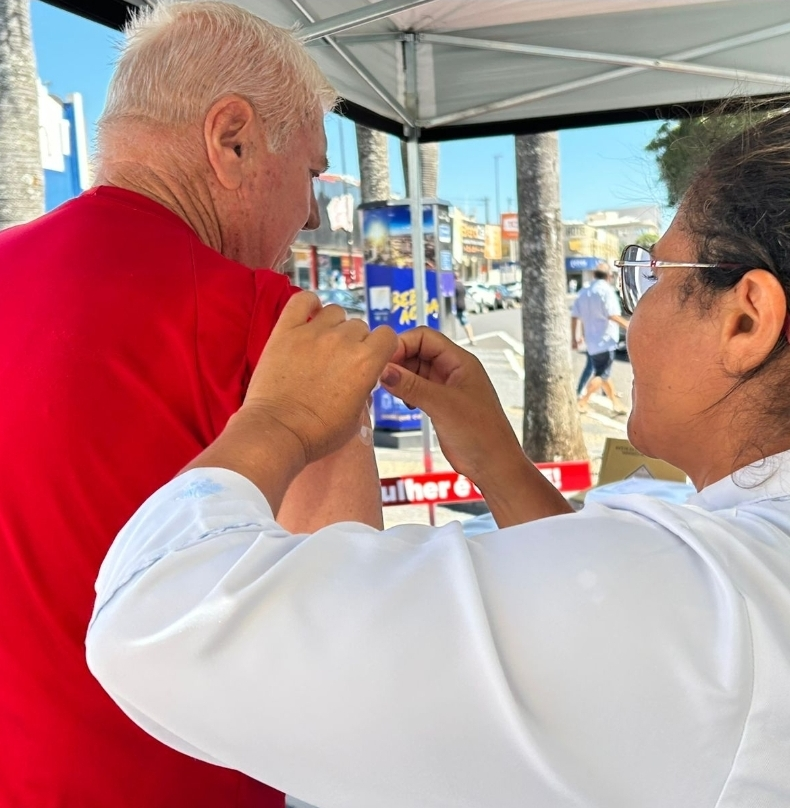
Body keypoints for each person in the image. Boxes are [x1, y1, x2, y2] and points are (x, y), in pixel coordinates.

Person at [87, 107, 790, 807]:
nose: (633, 319)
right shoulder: (724, 579)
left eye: (652, 274)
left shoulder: (700, 600)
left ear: (746, 318)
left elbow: (153, 619)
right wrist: (504, 469)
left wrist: (280, 419)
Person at [0, 4, 383, 808]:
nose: (312, 212)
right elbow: (345, 629)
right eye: (312, 172)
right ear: (232, 139)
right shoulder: (274, 326)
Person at [571, 262, 630, 413]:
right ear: (609, 277)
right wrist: (630, 326)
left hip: (591, 342)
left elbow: (575, 316)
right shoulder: (607, 291)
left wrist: (575, 338)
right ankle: (583, 402)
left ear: (593, 275)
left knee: (603, 373)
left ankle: (615, 403)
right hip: (606, 341)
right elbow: (613, 315)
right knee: (601, 375)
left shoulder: (584, 292)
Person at [453, 269, 475, 344]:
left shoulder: (453, 285)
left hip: (456, 307)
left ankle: (471, 339)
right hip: (462, 305)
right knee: (465, 322)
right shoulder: (461, 285)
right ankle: (471, 338)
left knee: (462, 322)